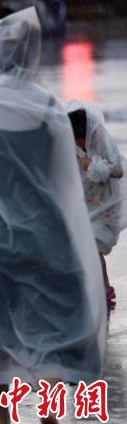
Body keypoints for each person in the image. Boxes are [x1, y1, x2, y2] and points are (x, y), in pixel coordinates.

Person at [0, 8, 107, 424]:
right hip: (44, 232)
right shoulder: (50, 108)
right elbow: (65, 179)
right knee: (53, 323)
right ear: (33, 54)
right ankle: (49, 419)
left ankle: (1, 420)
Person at [68, 100, 127, 313]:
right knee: (86, 246)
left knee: (93, 245)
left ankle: (103, 290)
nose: (81, 145)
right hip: (86, 200)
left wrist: (92, 164)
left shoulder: (100, 136)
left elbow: (119, 169)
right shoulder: (68, 141)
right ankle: (102, 288)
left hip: (106, 201)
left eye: (82, 140)